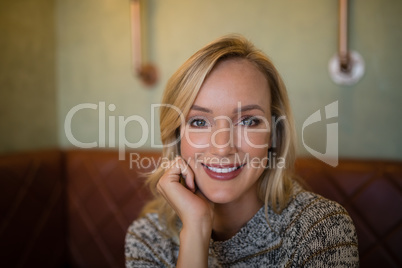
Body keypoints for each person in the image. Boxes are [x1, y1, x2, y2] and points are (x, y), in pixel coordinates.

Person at [125, 35, 359, 267]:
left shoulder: (321, 227)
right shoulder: (148, 239)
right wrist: (196, 229)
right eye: (199, 122)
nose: (223, 147)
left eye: (248, 121)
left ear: (274, 134)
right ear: (176, 135)